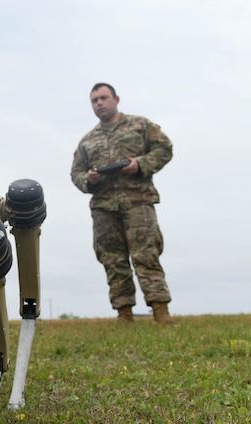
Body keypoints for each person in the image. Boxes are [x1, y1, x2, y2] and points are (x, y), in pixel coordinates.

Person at [71, 82, 175, 324]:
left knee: (146, 255)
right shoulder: (88, 141)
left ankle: (161, 311)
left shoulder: (140, 126)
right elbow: (75, 173)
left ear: (116, 99)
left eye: (103, 98)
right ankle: (124, 313)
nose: (99, 103)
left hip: (138, 203)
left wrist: (140, 164)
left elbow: (165, 148)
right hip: (104, 208)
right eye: (94, 100)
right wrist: (89, 179)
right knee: (112, 259)